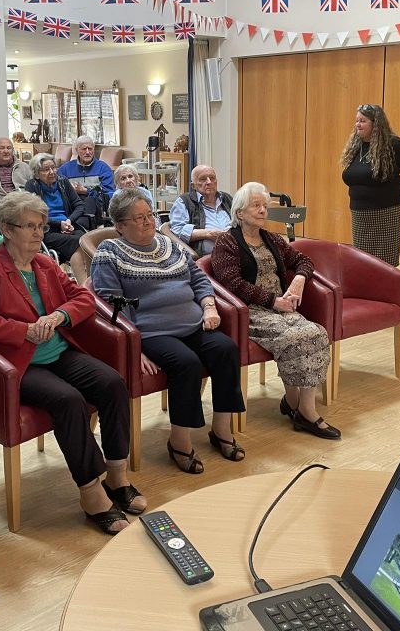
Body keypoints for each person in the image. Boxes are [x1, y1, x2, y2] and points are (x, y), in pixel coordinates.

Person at [0, 192, 145, 534]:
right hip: (22, 363)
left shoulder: (44, 264)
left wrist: (59, 315)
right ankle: (91, 492)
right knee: (69, 401)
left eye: (41, 226)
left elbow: (83, 297)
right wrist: (24, 330)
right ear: (6, 229)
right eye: (30, 226)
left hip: (59, 351)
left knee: (112, 383)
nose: (38, 233)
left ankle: (117, 477)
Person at [91, 188, 246, 475]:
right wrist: (133, 348)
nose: (148, 221)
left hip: (193, 323)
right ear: (120, 226)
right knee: (186, 363)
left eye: (149, 214)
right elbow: (111, 303)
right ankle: (179, 442)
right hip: (152, 332)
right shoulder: (108, 253)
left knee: (226, 349)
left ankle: (221, 429)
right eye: (139, 218)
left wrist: (209, 307)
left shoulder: (168, 244)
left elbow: (199, 278)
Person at [211, 182, 340, 440]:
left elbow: (303, 260)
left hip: (281, 307)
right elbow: (231, 283)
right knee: (295, 337)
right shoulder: (227, 241)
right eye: (256, 206)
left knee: (317, 332)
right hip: (251, 312)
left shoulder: (272, 239)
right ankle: (297, 406)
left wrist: (299, 279)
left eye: (265, 206)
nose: (263, 210)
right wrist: (273, 301)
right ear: (239, 213)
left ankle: (303, 408)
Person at [340, 104, 400, 267]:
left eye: (363, 121)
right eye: (357, 121)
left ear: (375, 124)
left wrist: (399, 190)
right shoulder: (356, 145)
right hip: (360, 214)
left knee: (384, 263)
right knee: (362, 261)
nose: (358, 124)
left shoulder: (393, 144)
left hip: (385, 213)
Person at [23, 153, 89, 282]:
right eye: (46, 169)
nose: (52, 172)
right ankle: (83, 282)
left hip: (68, 225)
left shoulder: (62, 182)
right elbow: (33, 213)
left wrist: (69, 220)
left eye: (53, 168)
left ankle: (84, 282)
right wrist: (59, 224)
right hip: (47, 229)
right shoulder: (32, 185)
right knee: (78, 242)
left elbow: (79, 205)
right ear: (37, 173)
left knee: (87, 240)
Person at [169, 165, 232, 257]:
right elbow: (177, 231)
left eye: (212, 178)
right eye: (203, 179)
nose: (209, 182)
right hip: (204, 257)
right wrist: (208, 234)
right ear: (193, 186)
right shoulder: (184, 201)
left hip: (235, 253)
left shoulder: (226, 198)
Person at [58, 135, 115, 225]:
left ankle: (80, 226)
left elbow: (107, 196)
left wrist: (86, 191)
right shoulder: (65, 169)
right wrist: (70, 190)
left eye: (90, 149)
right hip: (73, 207)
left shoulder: (103, 168)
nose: (88, 152)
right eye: (84, 149)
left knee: (89, 200)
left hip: (96, 209)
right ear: (77, 150)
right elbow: (57, 190)